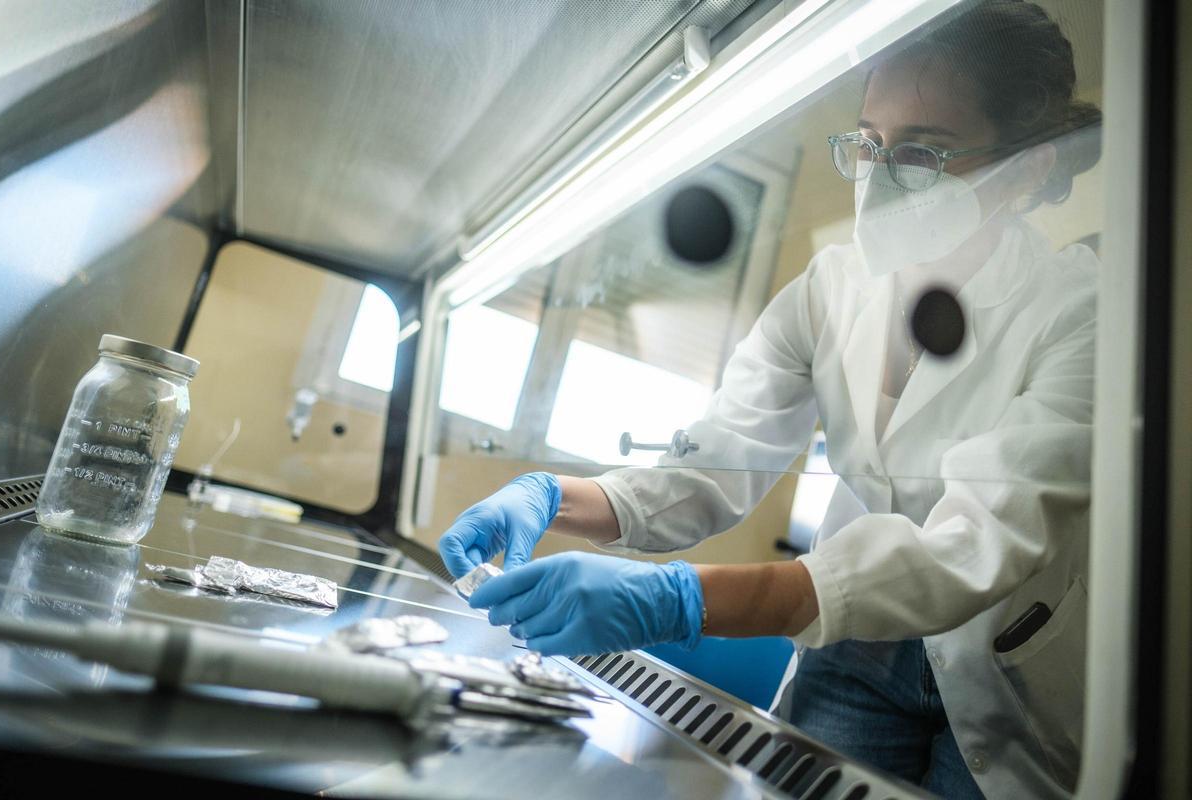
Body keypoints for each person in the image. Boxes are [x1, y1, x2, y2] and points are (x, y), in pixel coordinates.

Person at [439, 2, 1101, 798]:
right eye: (868, 144)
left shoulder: (1083, 316)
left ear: (1026, 168)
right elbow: (717, 462)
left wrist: (678, 601)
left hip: (1002, 663)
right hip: (853, 636)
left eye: (924, 153)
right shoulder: (830, 291)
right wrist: (552, 499)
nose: (880, 179)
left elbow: (972, 548)